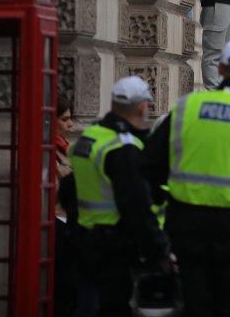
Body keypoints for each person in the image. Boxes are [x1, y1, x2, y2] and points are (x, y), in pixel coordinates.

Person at [140, 39, 230, 316]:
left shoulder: (187, 108)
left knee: (195, 307)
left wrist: (166, 203)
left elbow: (147, 167)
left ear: (220, 67)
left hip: (187, 232)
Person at [65, 77, 169, 317]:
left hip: (82, 238)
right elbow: (136, 207)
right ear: (143, 106)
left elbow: (71, 188)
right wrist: (159, 251)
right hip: (114, 245)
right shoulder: (123, 148)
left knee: (86, 304)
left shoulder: (90, 137)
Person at [54, 96, 77, 317]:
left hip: (66, 221)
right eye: (64, 119)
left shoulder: (64, 149)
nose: (70, 125)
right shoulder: (47, 152)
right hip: (56, 223)